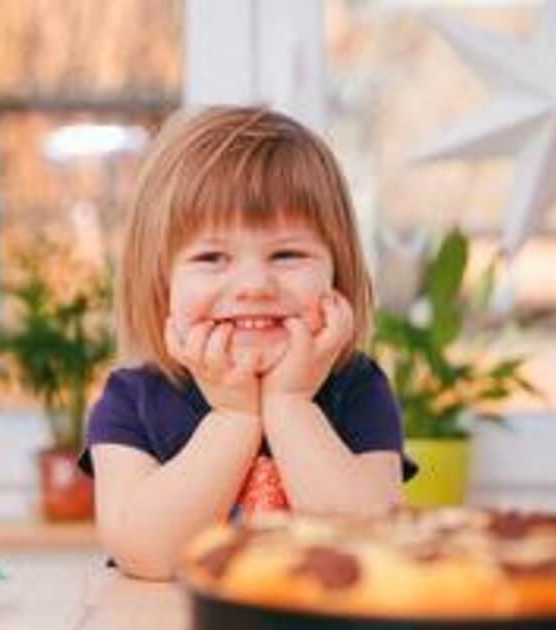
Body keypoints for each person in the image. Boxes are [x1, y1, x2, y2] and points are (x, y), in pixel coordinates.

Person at [77, 106, 416, 581]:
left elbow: (370, 547)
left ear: (337, 273)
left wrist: (290, 403)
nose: (254, 285)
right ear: (161, 285)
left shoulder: (358, 388)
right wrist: (234, 418)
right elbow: (147, 554)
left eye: (287, 254)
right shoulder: (130, 400)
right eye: (212, 257)